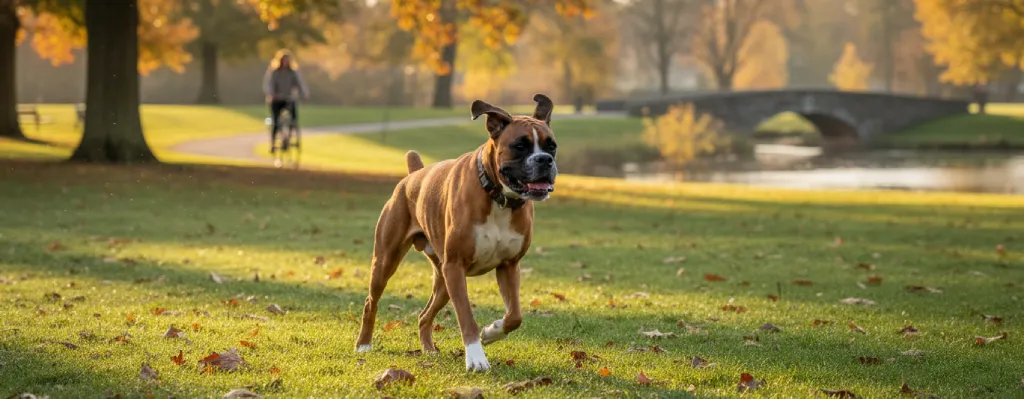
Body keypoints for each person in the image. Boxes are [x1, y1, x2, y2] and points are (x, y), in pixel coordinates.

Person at [263, 49, 310, 153]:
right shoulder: (275, 73)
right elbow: (269, 85)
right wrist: (272, 94)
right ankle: (273, 143)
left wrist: (304, 93)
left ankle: (289, 136)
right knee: (276, 121)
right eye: (284, 61)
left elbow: (300, 83)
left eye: (287, 61)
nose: (286, 63)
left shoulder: (292, 73)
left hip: (288, 99)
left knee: (293, 118)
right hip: (277, 99)